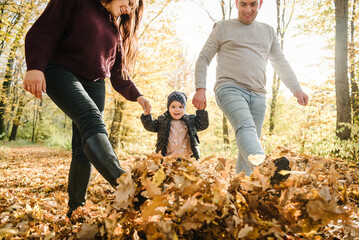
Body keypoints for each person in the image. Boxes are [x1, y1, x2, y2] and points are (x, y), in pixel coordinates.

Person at [23, 0, 152, 217]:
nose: (129, 9)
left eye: (133, 8)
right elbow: (44, 30)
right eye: (129, 2)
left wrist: (138, 96)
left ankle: (76, 210)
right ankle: (125, 184)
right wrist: (35, 67)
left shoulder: (114, 29)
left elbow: (119, 73)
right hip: (61, 71)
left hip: (95, 83)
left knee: (82, 150)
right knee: (91, 118)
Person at [192, 0, 309, 183]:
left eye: (253, 4)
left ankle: (242, 187)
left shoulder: (268, 31)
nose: (248, 10)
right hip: (229, 88)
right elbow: (203, 58)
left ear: (260, 4)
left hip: (258, 95)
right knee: (245, 127)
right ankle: (266, 167)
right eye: (244, 4)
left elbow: (280, 63)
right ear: (237, 3)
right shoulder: (222, 27)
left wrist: (296, 89)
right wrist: (200, 88)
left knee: (247, 143)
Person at [141, 91, 209, 160]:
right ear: (168, 108)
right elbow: (150, 126)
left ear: (184, 108)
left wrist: (201, 111)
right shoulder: (163, 121)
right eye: (173, 107)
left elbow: (203, 124)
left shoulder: (190, 120)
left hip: (186, 158)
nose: (177, 110)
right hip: (167, 158)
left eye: (180, 107)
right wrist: (147, 115)